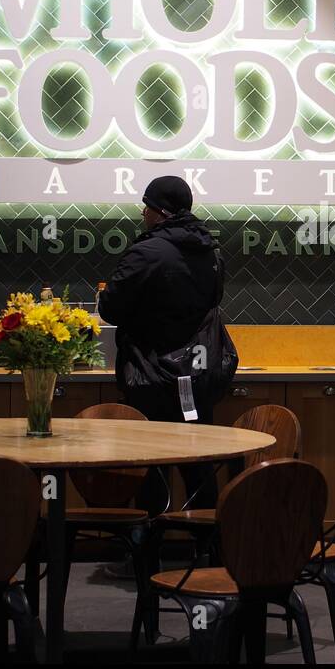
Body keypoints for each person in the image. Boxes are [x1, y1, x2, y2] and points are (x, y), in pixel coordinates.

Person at [99, 176, 232, 513]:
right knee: (199, 460)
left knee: (151, 463)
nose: (143, 213)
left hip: (151, 372)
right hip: (196, 372)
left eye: (147, 206)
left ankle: (146, 552)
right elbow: (214, 299)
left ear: (160, 211)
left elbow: (110, 308)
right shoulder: (210, 252)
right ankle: (206, 547)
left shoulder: (147, 252)